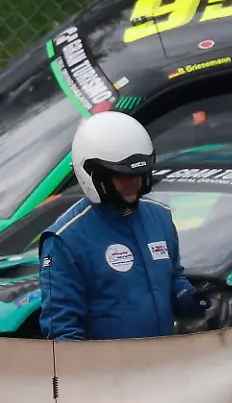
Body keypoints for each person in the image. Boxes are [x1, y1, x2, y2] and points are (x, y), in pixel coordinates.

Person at [40, 113, 204, 341]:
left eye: (137, 175)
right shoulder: (63, 240)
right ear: (95, 177)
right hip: (110, 372)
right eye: (122, 177)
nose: (133, 185)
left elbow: (173, 276)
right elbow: (62, 329)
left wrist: (184, 294)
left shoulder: (161, 218)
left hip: (163, 363)